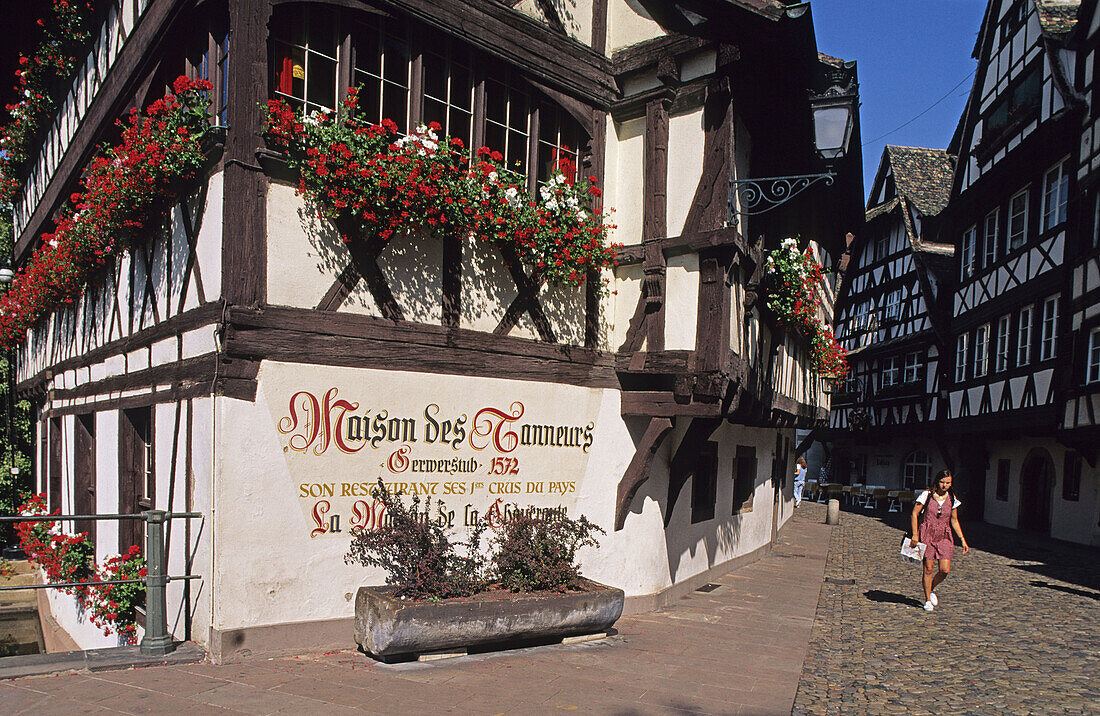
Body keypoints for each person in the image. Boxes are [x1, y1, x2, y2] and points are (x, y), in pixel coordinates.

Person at [909, 469, 969, 611]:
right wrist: (915, 535)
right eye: (942, 482)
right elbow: (914, 514)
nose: (944, 485)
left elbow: (954, 520)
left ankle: (930, 588)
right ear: (937, 481)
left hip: (944, 535)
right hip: (927, 534)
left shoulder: (952, 497)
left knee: (944, 570)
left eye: (948, 483)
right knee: (928, 568)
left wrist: (962, 539)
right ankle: (927, 600)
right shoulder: (927, 495)